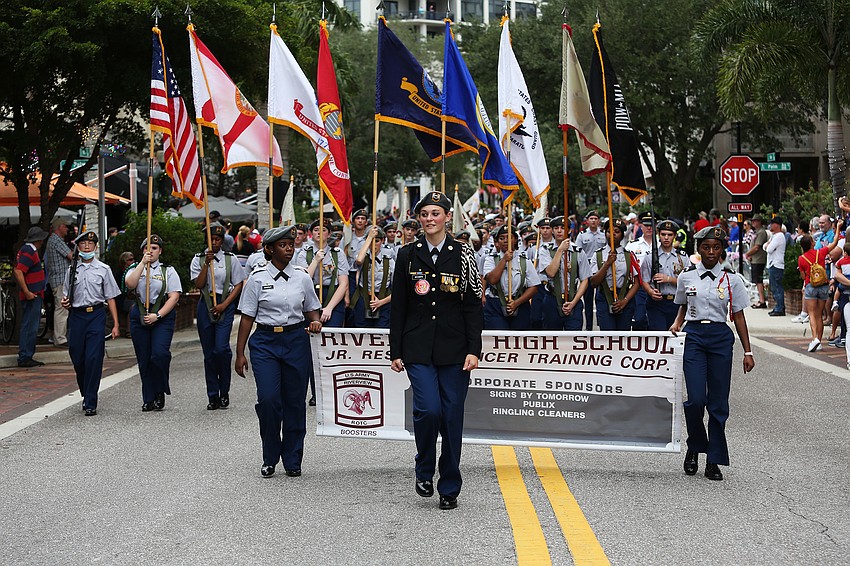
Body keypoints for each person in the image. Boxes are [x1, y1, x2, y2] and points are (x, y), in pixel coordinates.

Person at [389, 191, 483, 511]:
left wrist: (474, 349)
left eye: (435, 213)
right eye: (424, 214)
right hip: (417, 346)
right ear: (419, 218)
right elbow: (399, 305)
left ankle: (450, 485)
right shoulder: (407, 254)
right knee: (429, 410)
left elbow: (472, 306)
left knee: (452, 416)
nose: (429, 219)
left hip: (455, 349)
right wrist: (395, 350)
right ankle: (424, 468)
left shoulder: (463, 254)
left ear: (447, 217)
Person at [235, 226, 323, 479]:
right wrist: (240, 353)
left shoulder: (302, 277)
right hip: (265, 342)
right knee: (270, 400)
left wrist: (315, 322)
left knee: (295, 402)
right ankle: (270, 456)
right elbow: (247, 318)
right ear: (269, 249)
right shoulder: (257, 278)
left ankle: (293, 459)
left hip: (296, 339)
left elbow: (311, 310)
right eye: (282, 245)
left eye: (290, 244)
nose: (288, 248)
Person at [671, 225, 754, 481]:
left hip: (720, 337)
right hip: (694, 336)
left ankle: (713, 459)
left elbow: (738, 315)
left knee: (718, 403)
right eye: (706, 247)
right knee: (695, 399)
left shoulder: (732, 279)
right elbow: (683, 304)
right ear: (699, 249)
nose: (710, 252)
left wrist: (748, 351)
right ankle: (695, 445)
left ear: (722, 251)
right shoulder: (686, 276)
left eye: (716, 247)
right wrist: (677, 322)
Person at [60, 231, 121, 416]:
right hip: (77, 316)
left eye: (90, 244)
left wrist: (116, 324)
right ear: (78, 247)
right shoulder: (72, 270)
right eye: (83, 244)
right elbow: (65, 295)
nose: (87, 246)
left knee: (93, 358)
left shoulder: (103, 269)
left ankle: (91, 400)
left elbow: (110, 297)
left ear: (95, 247)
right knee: (78, 357)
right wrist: (65, 302)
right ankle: (85, 391)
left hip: (96, 315)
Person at [190, 223, 247, 410]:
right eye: (211, 239)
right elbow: (198, 284)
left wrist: (225, 304)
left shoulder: (230, 259)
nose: (214, 242)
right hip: (205, 305)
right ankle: (212, 395)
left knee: (221, 349)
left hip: (225, 304)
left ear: (222, 241)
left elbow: (238, 283)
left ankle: (225, 391)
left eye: (217, 239)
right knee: (209, 354)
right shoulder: (198, 259)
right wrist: (206, 263)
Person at [124, 235, 182, 412]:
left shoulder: (168, 271)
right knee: (144, 359)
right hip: (140, 315)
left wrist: (158, 315)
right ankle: (149, 398)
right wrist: (142, 263)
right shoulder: (136, 268)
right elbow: (130, 284)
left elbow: (174, 296)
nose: (151, 251)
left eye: (155, 248)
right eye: (147, 248)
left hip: (161, 316)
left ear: (160, 251)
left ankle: (160, 389)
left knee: (159, 354)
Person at [482, 225, 539, 330]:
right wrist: (504, 260)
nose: (505, 241)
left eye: (509, 237)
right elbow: (492, 279)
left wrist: (517, 303)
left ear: (515, 239)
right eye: (501, 238)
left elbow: (534, 287)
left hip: (519, 303)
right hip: (496, 304)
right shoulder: (490, 259)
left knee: (519, 341)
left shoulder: (524, 260)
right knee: (499, 339)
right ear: (497, 241)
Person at [588, 218, 640, 331]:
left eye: (617, 232)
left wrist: (625, 300)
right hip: (604, 298)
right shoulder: (598, 255)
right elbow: (593, 282)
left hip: (624, 297)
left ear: (622, 235)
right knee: (607, 335)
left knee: (623, 336)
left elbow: (637, 282)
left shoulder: (629, 255)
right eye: (609, 231)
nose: (613, 234)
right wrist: (607, 264)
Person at [797, 223, 842, 352]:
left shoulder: (801, 258)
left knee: (812, 313)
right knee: (819, 314)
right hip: (823, 286)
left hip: (811, 285)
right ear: (812, 243)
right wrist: (838, 228)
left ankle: (814, 338)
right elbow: (834, 243)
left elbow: (802, 275)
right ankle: (820, 341)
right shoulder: (820, 252)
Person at [642, 220, 691, 331]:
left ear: (674, 236)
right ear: (659, 235)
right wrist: (650, 292)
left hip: (676, 303)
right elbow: (644, 280)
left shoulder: (682, 257)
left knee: (673, 336)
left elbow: (689, 281)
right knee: (659, 335)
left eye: (669, 235)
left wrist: (668, 279)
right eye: (663, 234)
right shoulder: (650, 256)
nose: (666, 238)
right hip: (657, 303)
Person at [539, 231, 590, 330]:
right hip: (552, 299)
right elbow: (551, 272)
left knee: (573, 337)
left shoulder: (578, 251)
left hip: (573, 299)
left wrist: (573, 303)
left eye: (563, 228)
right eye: (556, 228)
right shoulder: (546, 250)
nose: (559, 231)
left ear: (569, 230)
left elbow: (585, 280)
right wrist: (559, 251)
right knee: (552, 339)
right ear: (552, 230)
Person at [14, 226, 49, 367]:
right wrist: (27, 292)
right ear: (38, 240)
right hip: (32, 295)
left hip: (33, 294)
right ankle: (25, 356)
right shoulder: (29, 251)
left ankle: (26, 355)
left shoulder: (27, 250)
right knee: (30, 326)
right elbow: (18, 271)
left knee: (29, 325)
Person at [351, 226, 394, 328]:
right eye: (371, 241)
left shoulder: (389, 261)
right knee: (362, 331)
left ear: (383, 241)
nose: (374, 244)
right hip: (364, 297)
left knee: (381, 331)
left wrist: (380, 302)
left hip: (383, 300)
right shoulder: (363, 257)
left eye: (377, 241)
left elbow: (397, 288)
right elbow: (358, 261)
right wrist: (369, 237)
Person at [44, 218, 73, 348]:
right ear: (59, 227)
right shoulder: (56, 240)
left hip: (57, 279)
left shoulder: (53, 240)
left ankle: (58, 336)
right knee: (62, 309)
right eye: (65, 226)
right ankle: (60, 338)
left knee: (60, 308)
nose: (67, 229)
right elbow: (71, 256)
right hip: (61, 280)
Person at [575, 210, 607, 329]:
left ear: (599, 221)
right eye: (591, 218)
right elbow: (577, 252)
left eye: (595, 218)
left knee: (601, 296)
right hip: (587, 268)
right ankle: (589, 326)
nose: (593, 221)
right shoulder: (582, 235)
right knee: (588, 298)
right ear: (587, 221)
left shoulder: (604, 235)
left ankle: (601, 322)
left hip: (601, 268)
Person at [745, 215, 768, 308]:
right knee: (756, 280)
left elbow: (757, 247)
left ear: (759, 222)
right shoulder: (756, 232)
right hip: (754, 259)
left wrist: (747, 254)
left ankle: (762, 300)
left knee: (759, 280)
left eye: (755, 221)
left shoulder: (761, 232)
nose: (753, 223)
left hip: (759, 259)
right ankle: (760, 299)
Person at [766, 217, 787, 316]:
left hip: (776, 264)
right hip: (772, 263)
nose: (770, 226)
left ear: (776, 225)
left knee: (777, 287)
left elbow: (769, 249)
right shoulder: (773, 236)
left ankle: (780, 308)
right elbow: (765, 246)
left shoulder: (779, 236)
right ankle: (777, 306)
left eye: (772, 224)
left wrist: (768, 246)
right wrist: (767, 245)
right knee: (774, 287)